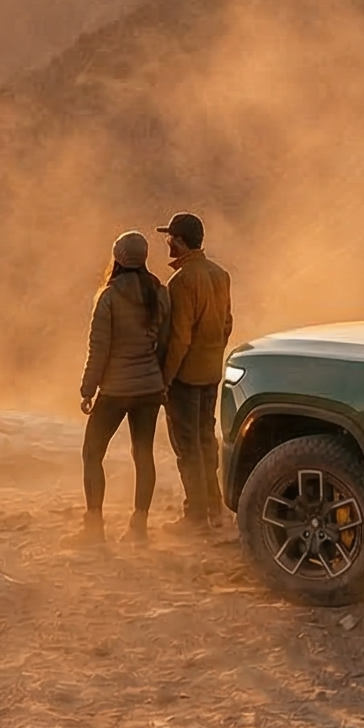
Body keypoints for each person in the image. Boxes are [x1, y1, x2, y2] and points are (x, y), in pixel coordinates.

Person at [78, 229, 167, 545]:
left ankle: (94, 527)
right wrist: (160, 381)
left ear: (117, 258)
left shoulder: (109, 296)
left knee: (92, 453)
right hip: (149, 388)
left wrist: (88, 389)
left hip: (115, 390)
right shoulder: (159, 291)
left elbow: (99, 348)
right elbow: (165, 343)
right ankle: (138, 527)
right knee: (143, 454)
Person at [157, 211, 234, 537]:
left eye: (169, 238)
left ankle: (196, 516)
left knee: (187, 445)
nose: (167, 243)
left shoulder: (182, 281)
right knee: (206, 439)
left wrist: (166, 378)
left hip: (186, 376)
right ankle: (215, 508)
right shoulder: (220, 274)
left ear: (179, 241)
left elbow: (179, 338)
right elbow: (227, 323)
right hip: (212, 371)